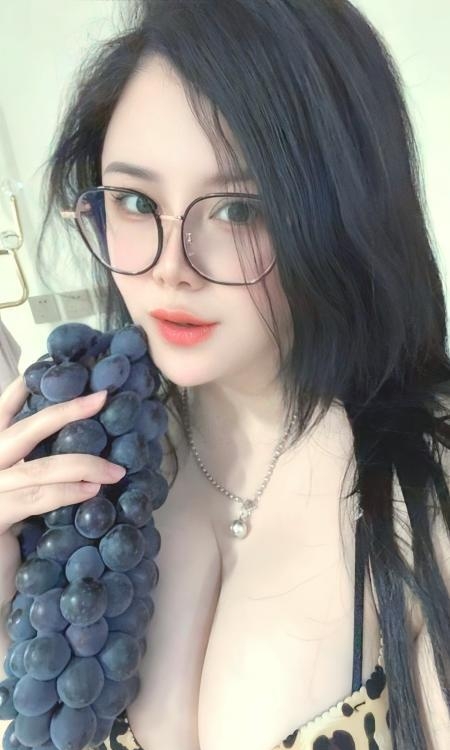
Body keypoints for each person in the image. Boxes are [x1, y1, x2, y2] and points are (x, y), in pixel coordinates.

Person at [1, 1, 449, 748]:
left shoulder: (424, 492)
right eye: (137, 202)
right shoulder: (87, 466)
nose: (171, 269)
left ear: (346, 217)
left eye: (239, 211)